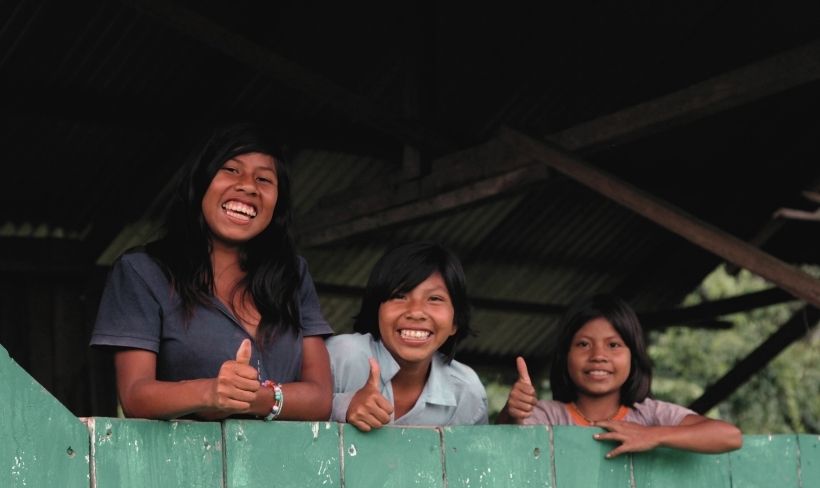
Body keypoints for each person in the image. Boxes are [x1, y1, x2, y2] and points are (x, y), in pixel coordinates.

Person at [91, 122, 333, 421]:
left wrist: (255, 399)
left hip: (288, 452)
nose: (248, 186)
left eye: (263, 179)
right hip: (186, 452)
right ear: (200, 183)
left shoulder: (293, 274)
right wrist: (210, 392)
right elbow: (134, 396)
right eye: (231, 170)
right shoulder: (142, 272)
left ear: (277, 203)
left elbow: (320, 399)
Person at [498, 294, 742, 457]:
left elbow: (730, 436)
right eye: (583, 344)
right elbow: (504, 440)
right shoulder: (547, 415)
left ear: (634, 356)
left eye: (613, 345)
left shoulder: (649, 415)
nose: (598, 356)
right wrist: (512, 411)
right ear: (565, 356)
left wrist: (652, 435)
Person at [326, 241, 488, 431]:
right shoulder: (340, 357)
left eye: (434, 299)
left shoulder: (466, 392)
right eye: (400, 296)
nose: (416, 312)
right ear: (376, 309)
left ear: (455, 322)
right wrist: (343, 406)